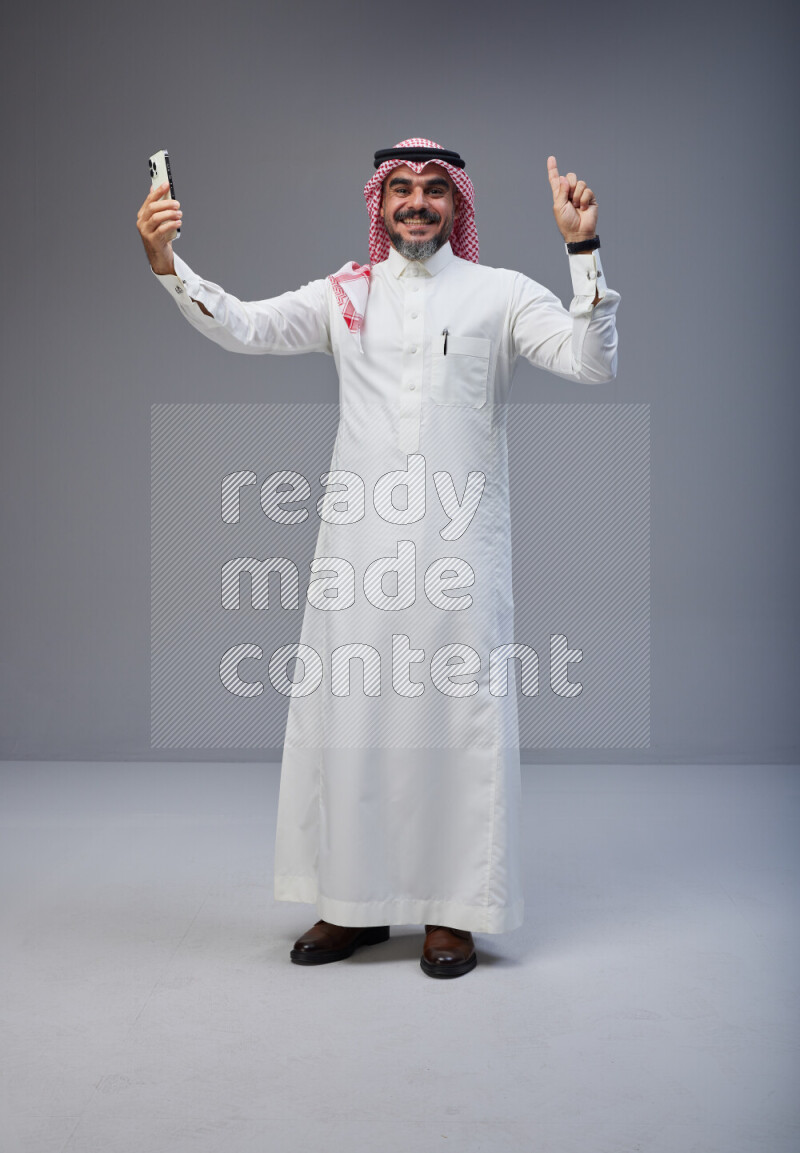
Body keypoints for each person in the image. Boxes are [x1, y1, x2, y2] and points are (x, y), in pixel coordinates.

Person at [137, 137, 620, 979]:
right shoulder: (344, 294)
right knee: (351, 723)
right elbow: (244, 325)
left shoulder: (501, 294)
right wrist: (165, 262)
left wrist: (583, 250)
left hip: (460, 552)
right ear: (380, 203)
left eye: (435, 189)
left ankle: (453, 912)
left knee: (457, 726)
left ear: (457, 205)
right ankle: (351, 904)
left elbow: (592, 362)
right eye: (401, 188)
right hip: (357, 552)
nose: (417, 202)